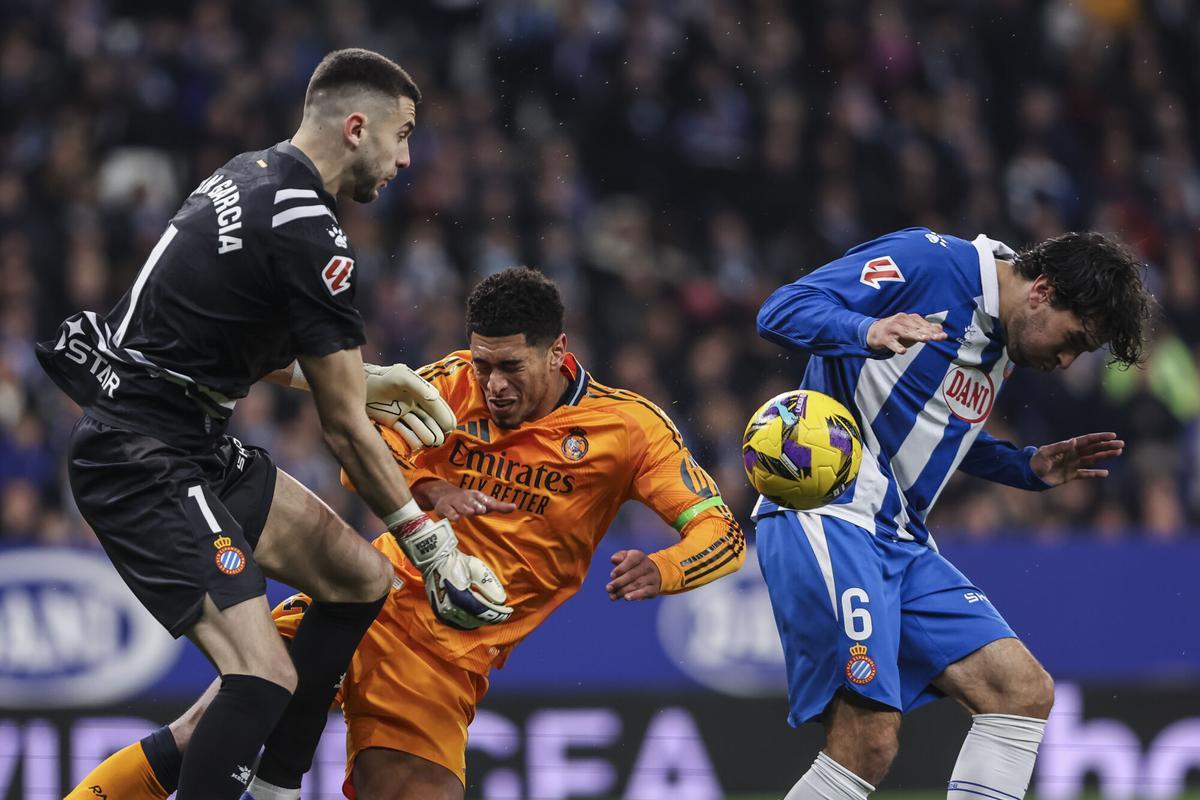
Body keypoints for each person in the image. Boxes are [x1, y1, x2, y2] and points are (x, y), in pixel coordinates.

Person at [68, 266, 748, 800]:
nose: (494, 383)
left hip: (446, 662)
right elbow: (360, 456)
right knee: (198, 735)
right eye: (484, 362)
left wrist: (665, 571)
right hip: (362, 603)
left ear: (557, 353)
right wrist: (429, 489)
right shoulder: (449, 385)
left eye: (511, 366)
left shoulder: (628, 430)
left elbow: (721, 533)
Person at [41, 49, 513, 800]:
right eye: (402, 135)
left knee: (360, 578)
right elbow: (345, 430)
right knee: (260, 677)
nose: (406, 158)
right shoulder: (309, 231)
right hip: (144, 456)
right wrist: (433, 545)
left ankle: (275, 790)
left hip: (178, 434)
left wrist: (372, 376)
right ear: (358, 127)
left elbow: (210, 343)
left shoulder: (249, 175)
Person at [752, 228, 1153, 800]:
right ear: (1041, 290)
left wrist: (1026, 467)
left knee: (1021, 691)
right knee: (868, 741)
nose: (1065, 362)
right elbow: (781, 309)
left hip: (898, 538)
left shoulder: (1003, 334)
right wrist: (867, 328)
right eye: (1074, 341)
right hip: (829, 514)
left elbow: (934, 418)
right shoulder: (927, 264)